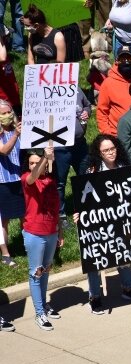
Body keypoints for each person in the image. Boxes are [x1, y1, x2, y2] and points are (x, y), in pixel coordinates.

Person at [76, 135, 131, 314]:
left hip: (121, 219)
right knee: (95, 257)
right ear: (98, 153)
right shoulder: (93, 171)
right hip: (98, 221)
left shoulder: (124, 168)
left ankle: (128, 288)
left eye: (112, 148)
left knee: (125, 252)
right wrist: (80, 214)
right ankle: (95, 296)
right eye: (105, 150)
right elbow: (84, 197)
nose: (110, 152)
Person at [21, 147, 63, 331]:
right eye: (31, 162)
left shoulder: (52, 180)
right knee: (36, 272)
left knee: (46, 270)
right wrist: (44, 158)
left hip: (51, 232)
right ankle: (39, 313)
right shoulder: (26, 179)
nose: (34, 165)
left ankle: (44, 304)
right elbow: (33, 176)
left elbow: (56, 208)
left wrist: (59, 230)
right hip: (34, 233)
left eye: (36, 162)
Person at [54, 88, 90, 223]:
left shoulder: (76, 88)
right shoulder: (48, 93)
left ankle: (87, 210)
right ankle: (61, 216)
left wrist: (87, 112)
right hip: (60, 146)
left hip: (80, 143)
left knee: (85, 177)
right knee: (59, 182)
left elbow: (87, 105)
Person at [0, 100, 22, 267]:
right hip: (4, 182)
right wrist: (15, 134)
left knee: (26, 215)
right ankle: (6, 254)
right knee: (4, 220)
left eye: (9, 112)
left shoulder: (20, 128)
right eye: (3, 113)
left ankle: (28, 246)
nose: (8, 115)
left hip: (21, 179)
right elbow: (4, 151)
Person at [106, 0, 131, 71]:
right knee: (120, 67)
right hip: (118, 40)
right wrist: (109, 21)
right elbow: (114, 14)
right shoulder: (115, 1)